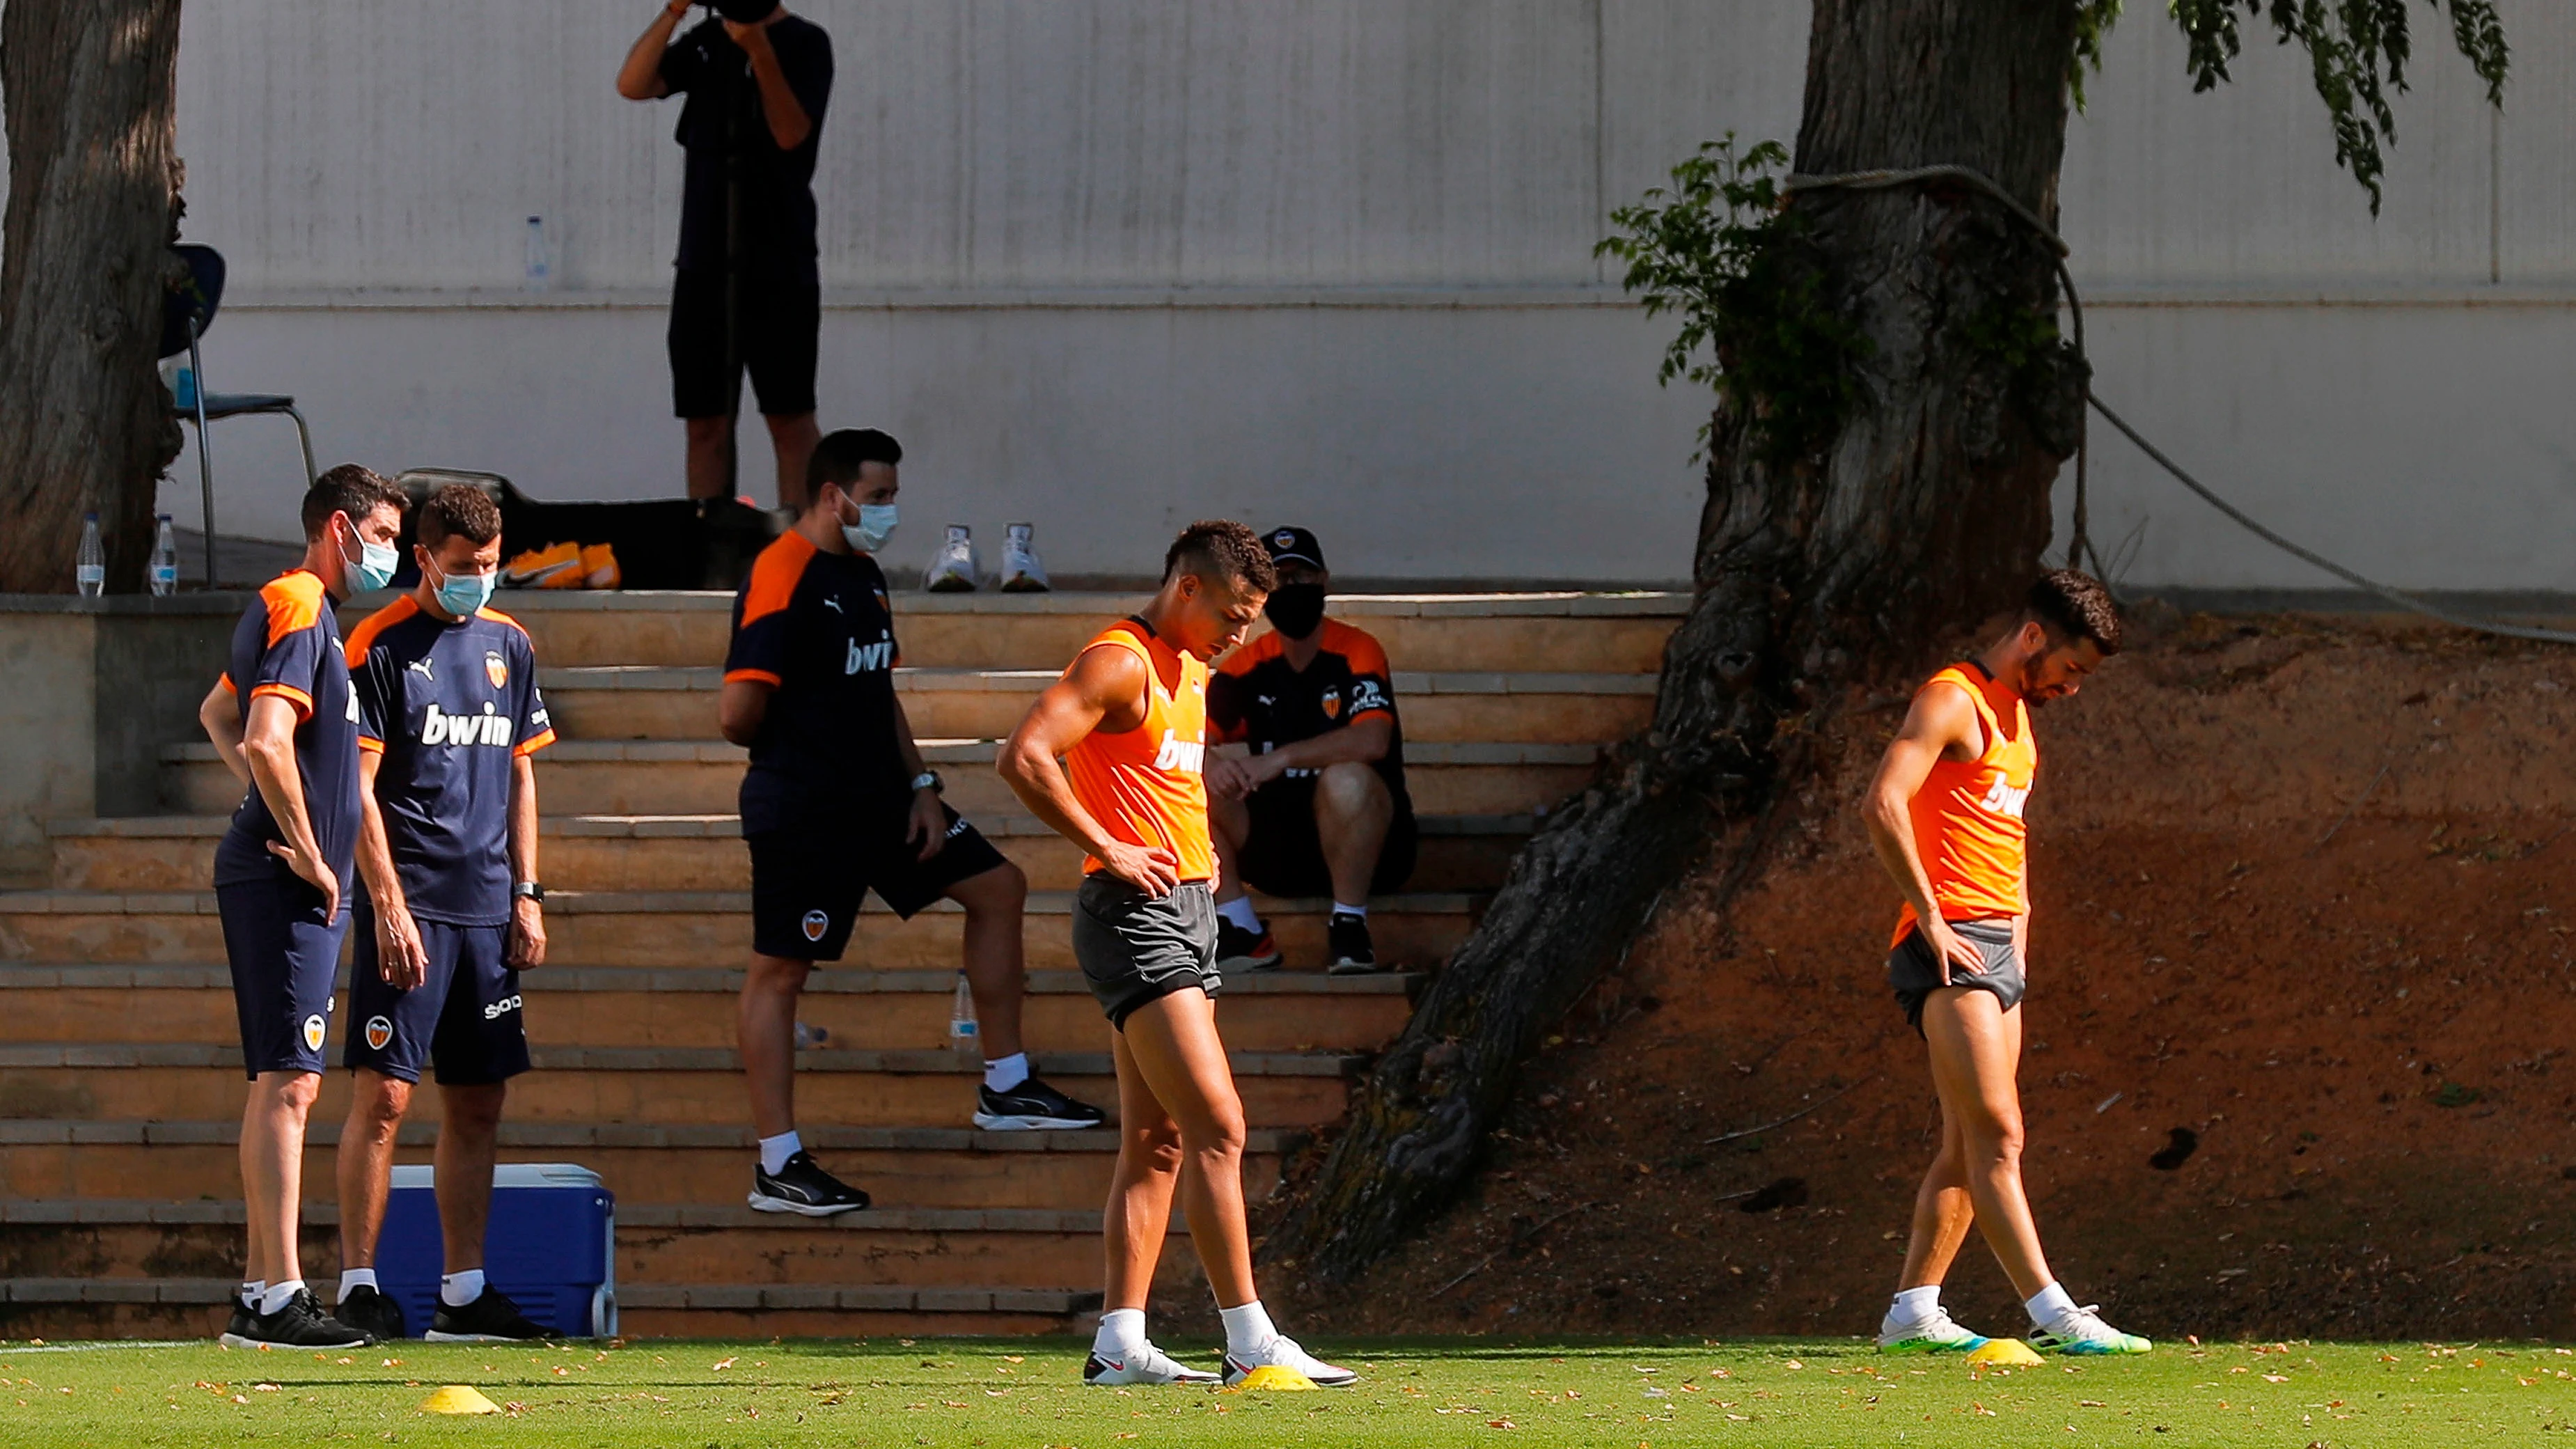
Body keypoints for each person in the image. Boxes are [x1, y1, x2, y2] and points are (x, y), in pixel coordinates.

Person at [998, 521, 1354, 1389]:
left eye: (1251, 621)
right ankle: (1248, 1338)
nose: (1242, 635)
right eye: (1233, 615)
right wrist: (1107, 845)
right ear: (1187, 588)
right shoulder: (1119, 659)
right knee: (1220, 1125)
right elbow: (1024, 754)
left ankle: (1119, 1342)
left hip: (1187, 911)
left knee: (1157, 1141)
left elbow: (1166, 782)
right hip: (1133, 915)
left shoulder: (1194, 665)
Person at [721, 429, 1103, 1218]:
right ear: (835, 495)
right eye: (881, 495)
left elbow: (878, 688)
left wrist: (922, 783)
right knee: (781, 970)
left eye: (894, 493)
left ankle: (1005, 1082)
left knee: (999, 886)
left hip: (884, 801)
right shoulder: (781, 571)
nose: (891, 509)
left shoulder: (863, 573)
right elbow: (737, 711)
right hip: (806, 809)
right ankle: (778, 1162)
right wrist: (811, 745)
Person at [1862, 570, 2151, 1357]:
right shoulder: (1952, 697)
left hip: (1997, 944)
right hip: (1946, 938)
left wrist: (2020, 925)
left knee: (1965, 1142)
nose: (2073, 685)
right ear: (2033, 636)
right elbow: (1884, 801)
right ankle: (2053, 1310)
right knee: (2000, 1132)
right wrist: (1926, 912)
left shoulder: (2019, 719)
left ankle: (1912, 1310)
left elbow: (2004, 837)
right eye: (2071, 667)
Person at [330, 484, 557, 1342]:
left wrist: (527, 894)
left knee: (479, 1102)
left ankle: (465, 1291)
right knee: (386, 1095)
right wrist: (386, 904)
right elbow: (356, 788)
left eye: (493, 565)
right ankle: (358, 1284)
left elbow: (523, 773)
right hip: (413, 903)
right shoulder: (380, 644)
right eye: (465, 567)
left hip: (489, 910)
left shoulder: (511, 642)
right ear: (424, 557)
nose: (481, 580)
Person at [194, 465, 407, 1349]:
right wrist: (309, 849)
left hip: (288, 874)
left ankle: (260, 1289)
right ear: (339, 527)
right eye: (386, 534)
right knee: (291, 1084)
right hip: (288, 880)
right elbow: (259, 734)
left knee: (284, 1081)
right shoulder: (296, 600)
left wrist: (278, 813)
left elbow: (215, 709)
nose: (391, 552)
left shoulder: (310, 613)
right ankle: (280, 1294)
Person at [615, 0, 833, 507]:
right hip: (704, 263)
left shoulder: (807, 43)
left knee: (789, 417)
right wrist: (674, 11)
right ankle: (710, 553)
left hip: (780, 263)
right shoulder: (708, 42)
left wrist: (757, 47)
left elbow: (791, 133)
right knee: (705, 422)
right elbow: (633, 84)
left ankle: (801, 549)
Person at [1205, 526, 1415, 973]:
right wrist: (1211, 762)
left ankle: (1349, 926)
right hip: (1279, 848)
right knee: (1190, 774)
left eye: (1301, 577)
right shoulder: (1246, 665)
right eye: (1279, 581)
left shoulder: (1357, 650)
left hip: (1372, 847)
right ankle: (1241, 929)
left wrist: (1279, 758)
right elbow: (1183, 737)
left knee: (1347, 777)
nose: (1291, 589)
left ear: (1324, 582)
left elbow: (1372, 739)